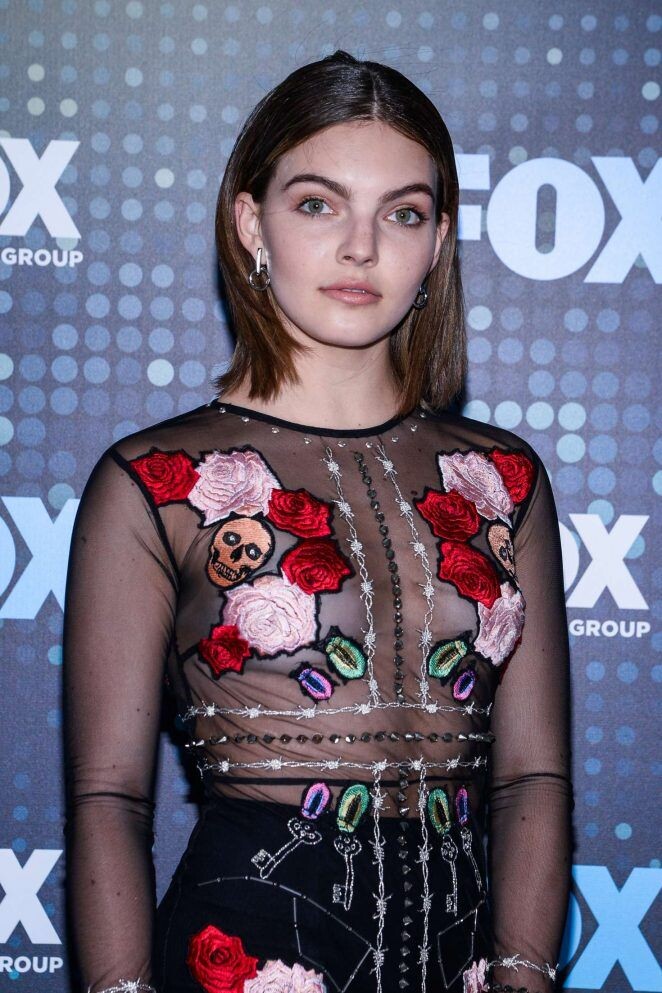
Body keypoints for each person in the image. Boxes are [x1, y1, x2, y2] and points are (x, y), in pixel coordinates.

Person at [62, 50, 574, 993]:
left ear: (438, 242)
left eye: (403, 213)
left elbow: (532, 779)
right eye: (317, 204)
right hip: (244, 956)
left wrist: (523, 977)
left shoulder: (504, 479)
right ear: (250, 222)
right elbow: (108, 798)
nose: (361, 247)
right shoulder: (158, 484)